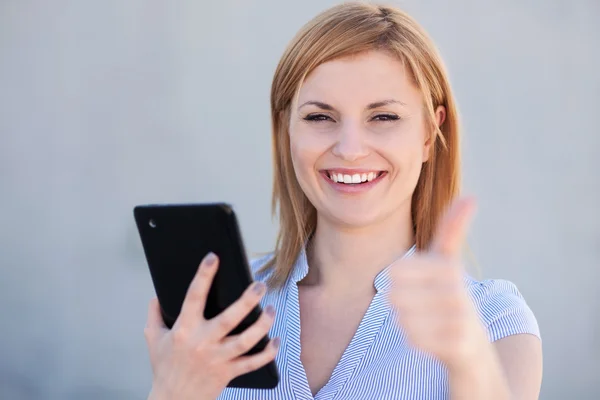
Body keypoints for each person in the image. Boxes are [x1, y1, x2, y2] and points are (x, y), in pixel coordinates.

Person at [143, 2, 543, 399]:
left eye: (383, 117)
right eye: (320, 117)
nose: (350, 149)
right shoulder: (219, 314)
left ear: (427, 134)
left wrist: (469, 363)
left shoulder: (493, 322)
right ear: (287, 131)